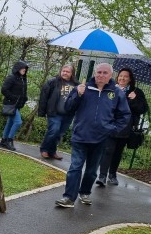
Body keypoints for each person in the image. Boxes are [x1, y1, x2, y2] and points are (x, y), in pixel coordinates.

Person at [55, 63, 131, 208]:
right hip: (80, 136)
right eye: (99, 72)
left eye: (104, 73)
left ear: (110, 76)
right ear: (94, 73)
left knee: (91, 171)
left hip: (101, 139)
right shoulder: (83, 88)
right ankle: (69, 198)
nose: (101, 75)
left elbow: (124, 115)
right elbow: (68, 108)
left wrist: (112, 129)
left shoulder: (116, 93)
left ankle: (85, 192)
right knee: (75, 167)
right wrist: (77, 95)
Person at [97, 67, 149, 186]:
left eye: (125, 76)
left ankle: (112, 175)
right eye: (120, 75)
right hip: (110, 124)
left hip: (126, 127)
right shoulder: (110, 89)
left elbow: (143, 109)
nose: (122, 78)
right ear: (117, 77)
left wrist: (134, 99)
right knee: (108, 150)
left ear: (130, 79)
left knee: (117, 152)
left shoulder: (136, 92)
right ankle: (102, 176)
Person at [37, 64, 79, 160]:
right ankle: (44, 149)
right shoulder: (53, 82)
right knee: (53, 130)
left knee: (59, 134)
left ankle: (52, 151)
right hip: (54, 113)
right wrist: (42, 112)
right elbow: (44, 97)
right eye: (63, 71)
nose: (64, 73)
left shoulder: (76, 85)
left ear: (72, 73)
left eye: (67, 71)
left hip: (68, 115)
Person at [0, 60, 29, 151]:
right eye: (23, 68)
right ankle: (9, 140)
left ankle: (3, 141)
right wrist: (14, 98)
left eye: (25, 68)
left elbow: (23, 91)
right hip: (11, 104)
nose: (24, 70)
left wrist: (24, 98)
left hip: (17, 105)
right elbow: (4, 90)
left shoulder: (23, 79)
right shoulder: (11, 78)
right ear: (18, 68)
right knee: (18, 122)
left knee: (10, 122)